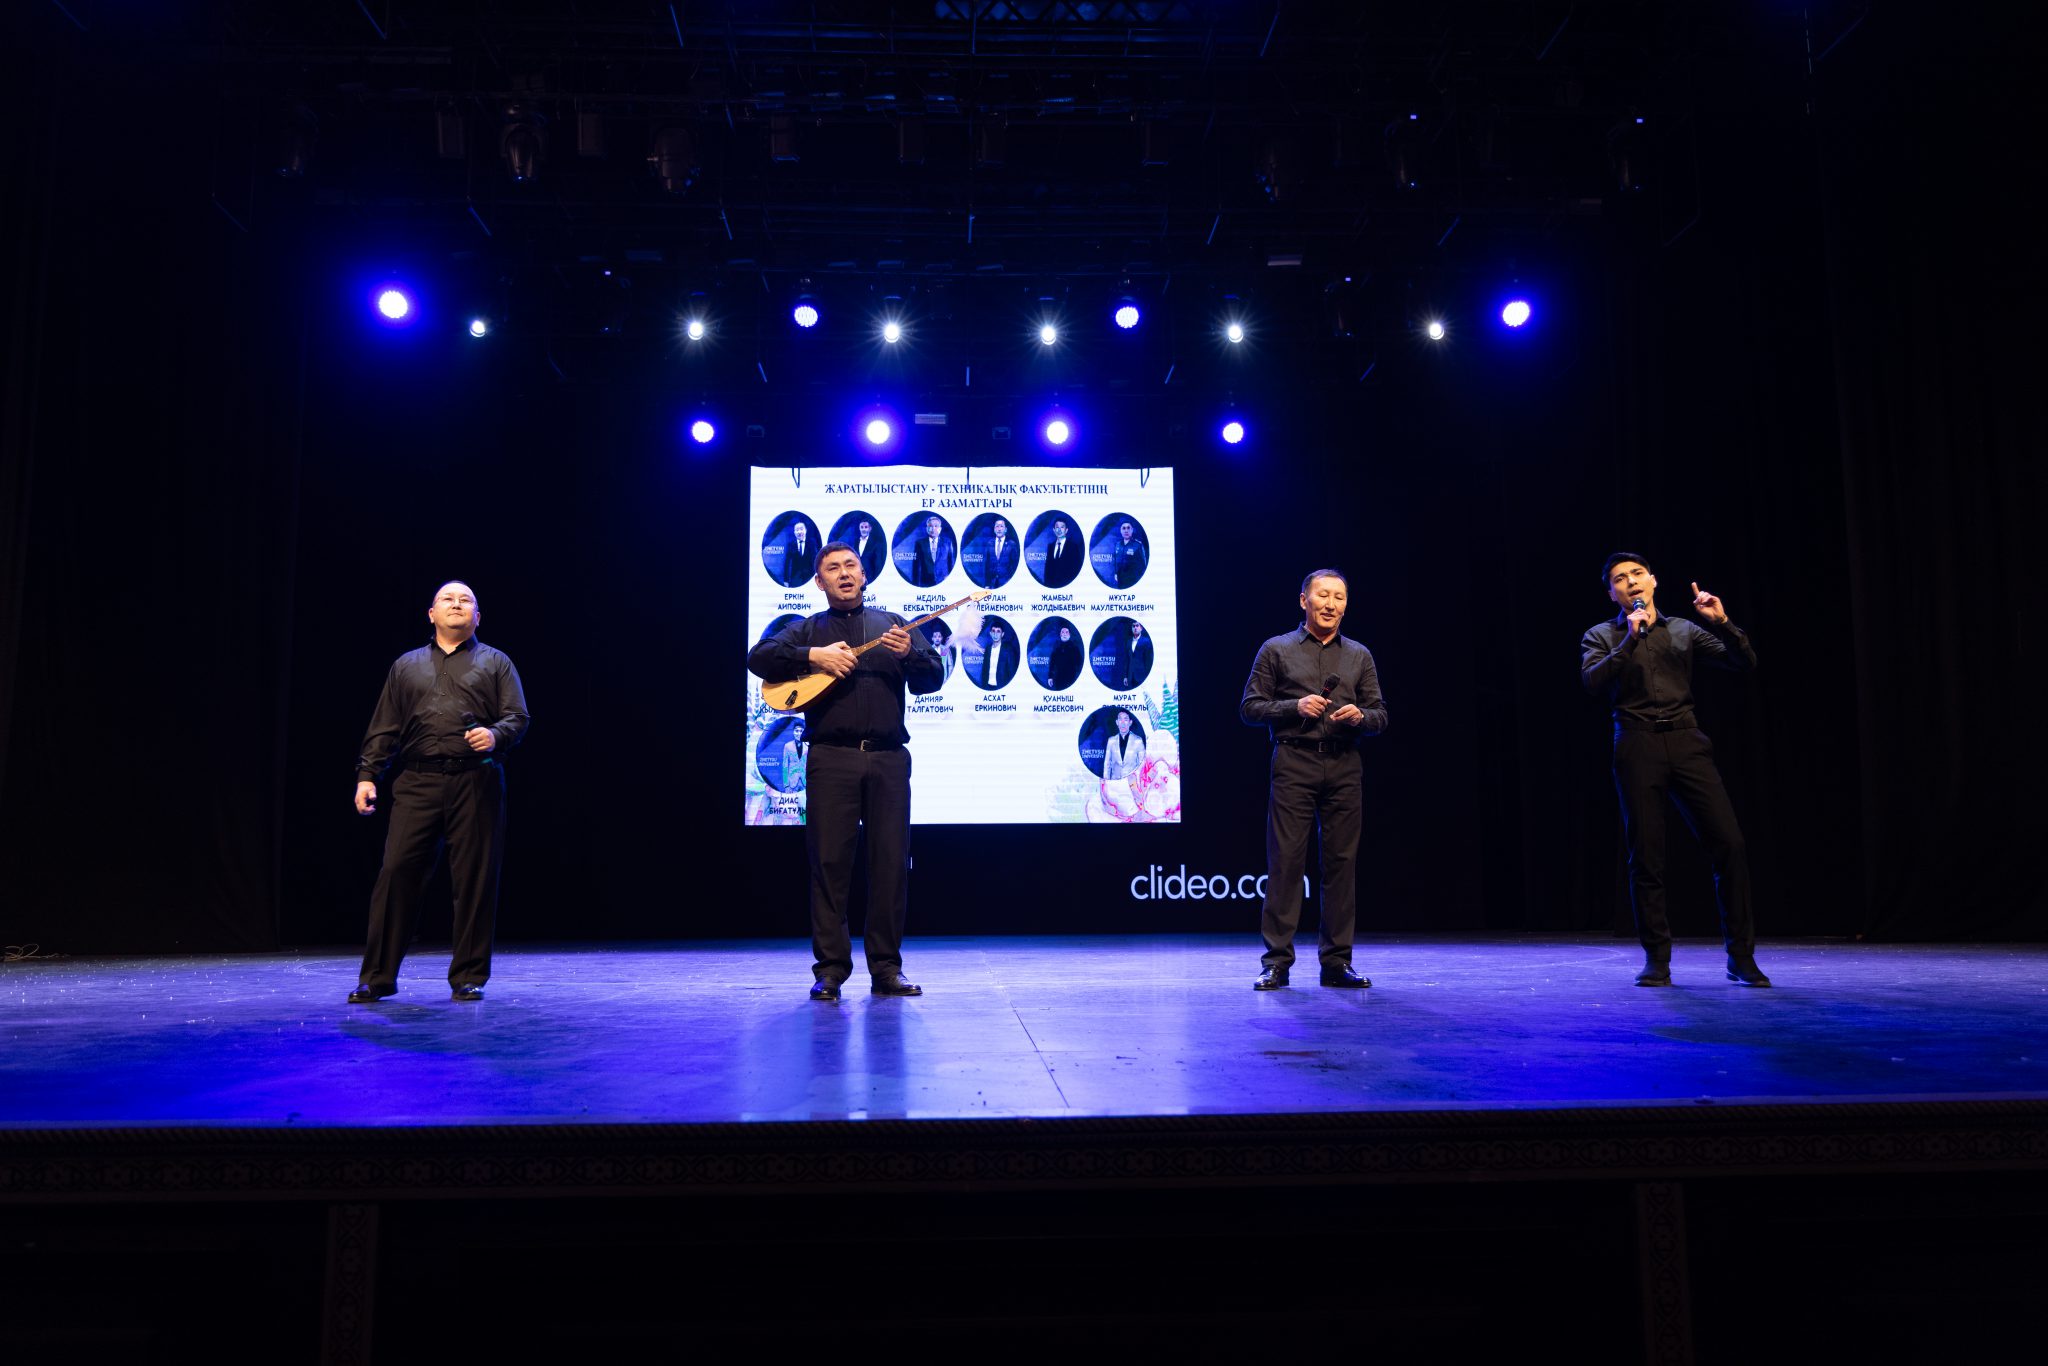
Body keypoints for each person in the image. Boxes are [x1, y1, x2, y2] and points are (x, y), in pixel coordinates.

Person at [747, 542, 944, 999]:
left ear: (864, 574)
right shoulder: (809, 629)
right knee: (829, 864)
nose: (844, 573)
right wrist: (812, 657)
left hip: (888, 758)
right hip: (831, 758)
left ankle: (886, 969)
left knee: (890, 864)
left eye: (851, 565)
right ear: (820, 582)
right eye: (832, 569)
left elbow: (933, 678)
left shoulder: (893, 625)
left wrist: (909, 655)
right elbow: (758, 658)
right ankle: (831, 970)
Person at [1581, 553, 1769, 987]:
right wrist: (1630, 640)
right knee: (1646, 856)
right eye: (1620, 579)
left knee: (1730, 844)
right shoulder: (1601, 635)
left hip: (1686, 741)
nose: (1630, 582)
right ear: (1611, 593)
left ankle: (1741, 958)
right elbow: (1592, 681)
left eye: (1637, 574)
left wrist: (1723, 622)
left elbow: (1744, 663)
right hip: (1636, 742)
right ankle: (1657, 960)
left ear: (1653, 581)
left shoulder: (1683, 629)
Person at [349, 581, 531, 1004]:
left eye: (466, 600)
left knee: (475, 879)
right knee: (396, 874)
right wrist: (368, 775)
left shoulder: (496, 662)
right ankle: (376, 978)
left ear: (477, 617)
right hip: (417, 782)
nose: (456, 604)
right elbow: (385, 726)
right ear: (431, 614)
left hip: (476, 781)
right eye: (447, 599)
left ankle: (468, 976)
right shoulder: (406, 665)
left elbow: (517, 716)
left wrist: (495, 734)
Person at [1239, 569, 1387, 990]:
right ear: (1304, 600)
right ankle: (1276, 963)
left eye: (1339, 597)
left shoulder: (1359, 655)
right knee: (1285, 863)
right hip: (1294, 762)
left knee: (1341, 865)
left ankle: (1337, 963)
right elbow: (1250, 707)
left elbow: (1380, 714)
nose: (1330, 604)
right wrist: (1293, 707)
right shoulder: (1277, 649)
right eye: (1322, 595)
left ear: (1346, 605)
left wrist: (1361, 717)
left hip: (1344, 764)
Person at [975, 517, 1020, 589]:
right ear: (994, 529)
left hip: (1006, 582)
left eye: (1001, 526)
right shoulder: (989, 543)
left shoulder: (1011, 544)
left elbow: (1015, 565)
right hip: (992, 583)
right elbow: (986, 565)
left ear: (1005, 529)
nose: (999, 529)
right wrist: (987, 584)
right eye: (997, 526)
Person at [910, 514, 953, 587]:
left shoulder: (947, 542)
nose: (933, 528)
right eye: (930, 526)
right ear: (927, 528)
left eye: (936, 526)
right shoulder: (919, 543)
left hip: (943, 580)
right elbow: (916, 566)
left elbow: (950, 563)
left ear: (940, 528)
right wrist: (915, 584)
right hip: (925, 582)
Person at [1102, 710, 1146, 781]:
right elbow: (1107, 764)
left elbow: (1142, 765)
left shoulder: (1138, 741)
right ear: (1117, 722)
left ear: (1130, 722)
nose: (1122, 723)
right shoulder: (1111, 741)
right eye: (1120, 719)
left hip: (1132, 783)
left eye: (1125, 719)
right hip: (1115, 782)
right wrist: (1106, 781)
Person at [1041, 517, 1084, 588]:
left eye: (1062, 527)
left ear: (1066, 530)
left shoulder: (1073, 547)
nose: (1059, 530)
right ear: (1054, 530)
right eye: (1057, 527)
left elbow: (1077, 569)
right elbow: (1047, 570)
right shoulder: (1050, 546)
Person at [975, 620, 1019, 689]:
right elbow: (984, 669)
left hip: (1002, 686)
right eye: (993, 631)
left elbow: (1012, 671)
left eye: (998, 631)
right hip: (987, 687)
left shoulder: (1008, 650)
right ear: (990, 633)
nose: (995, 634)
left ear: (1002, 634)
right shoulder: (987, 649)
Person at [1107, 519, 1148, 589]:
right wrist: (1116, 573)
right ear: (1121, 531)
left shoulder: (1138, 545)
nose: (1126, 530)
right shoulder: (1118, 544)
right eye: (1123, 528)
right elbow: (1116, 560)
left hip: (1133, 579)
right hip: (1120, 578)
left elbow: (1143, 565)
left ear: (1132, 530)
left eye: (1128, 528)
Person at [1118, 620, 1154, 691]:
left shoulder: (1146, 641)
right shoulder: (1128, 642)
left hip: (1142, 676)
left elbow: (1149, 660)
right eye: (1133, 626)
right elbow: (1126, 660)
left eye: (1137, 626)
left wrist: (1148, 676)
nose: (1135, 628)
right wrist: (1125, 676)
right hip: (1130, 676)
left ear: (1141, 628)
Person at [780, 520, 816, 588]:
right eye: (797, 530)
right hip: (795, 579)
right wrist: (786, 580)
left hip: (810, 578)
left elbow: (815, 561)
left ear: (805, 530)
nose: (799, 532)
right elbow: (787, 563)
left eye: (801, 529)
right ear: (794, 532)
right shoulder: (791, 545)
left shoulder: (812, 543)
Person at [1047, 624, 1083, 691]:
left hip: (1072, 678)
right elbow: (1052, 663)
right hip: (1058, 678)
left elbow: (1080, 663)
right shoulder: (1056, 647)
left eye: (1066, 632)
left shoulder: (1075, 647)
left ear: (1069, 634)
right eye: (1063, 632)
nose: (1064, 634)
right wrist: (1050, 677)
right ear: (1060, 634)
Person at [779, 719, 809, 793]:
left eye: (801, 731)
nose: (799, 733)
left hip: (805, 781)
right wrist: (786, 785)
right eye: (796, 731)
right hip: (792, 782)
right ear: (793, 732)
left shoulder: (807, 745)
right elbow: (785, 765)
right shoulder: (787, 746)